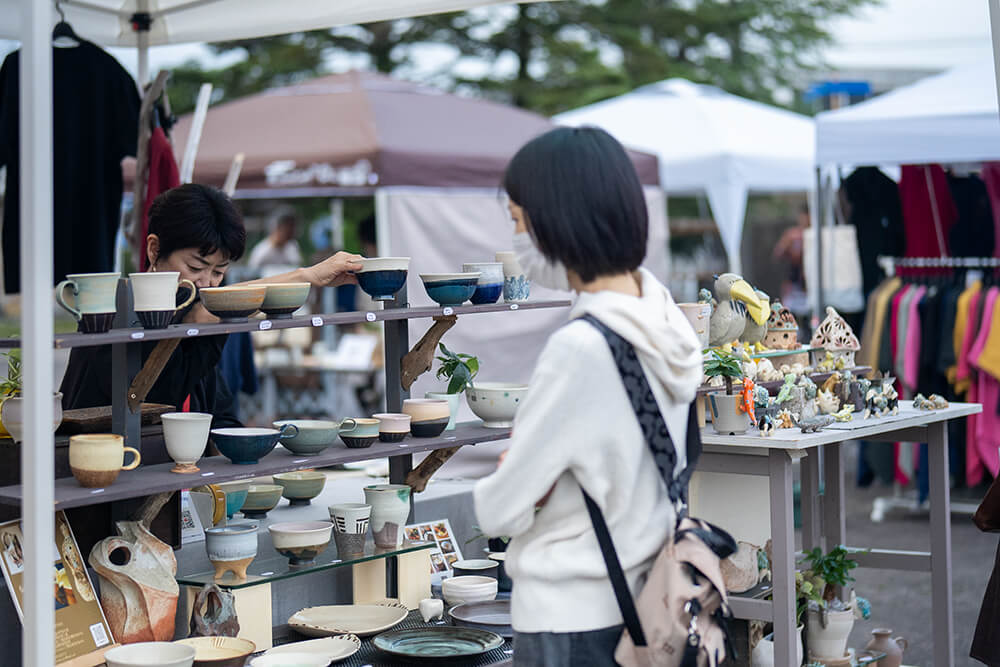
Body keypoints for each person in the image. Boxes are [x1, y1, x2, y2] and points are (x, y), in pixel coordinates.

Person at [472, 127, 703, 666]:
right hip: (644, 600)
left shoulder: (580, 348)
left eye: (517, 220)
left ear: (559, 220)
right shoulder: (666, 321)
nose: (517, 238)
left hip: (568, 619)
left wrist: (518, 479)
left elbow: (499, 509)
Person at [61, 184, 361, 427]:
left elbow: (221, 414)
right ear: (154, 249)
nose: (206, 283)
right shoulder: (114, 315)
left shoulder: (198, 326)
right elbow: (161, 393)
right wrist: (307, 276)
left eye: (218, 272)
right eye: (195, 267)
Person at [246, 207, 302, 272]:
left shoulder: (292, 246)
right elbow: (252, 272)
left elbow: (297, 268)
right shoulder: (262, 250)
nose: (291, 230)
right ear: (277, 227)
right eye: (288, 226)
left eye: (292, 226)